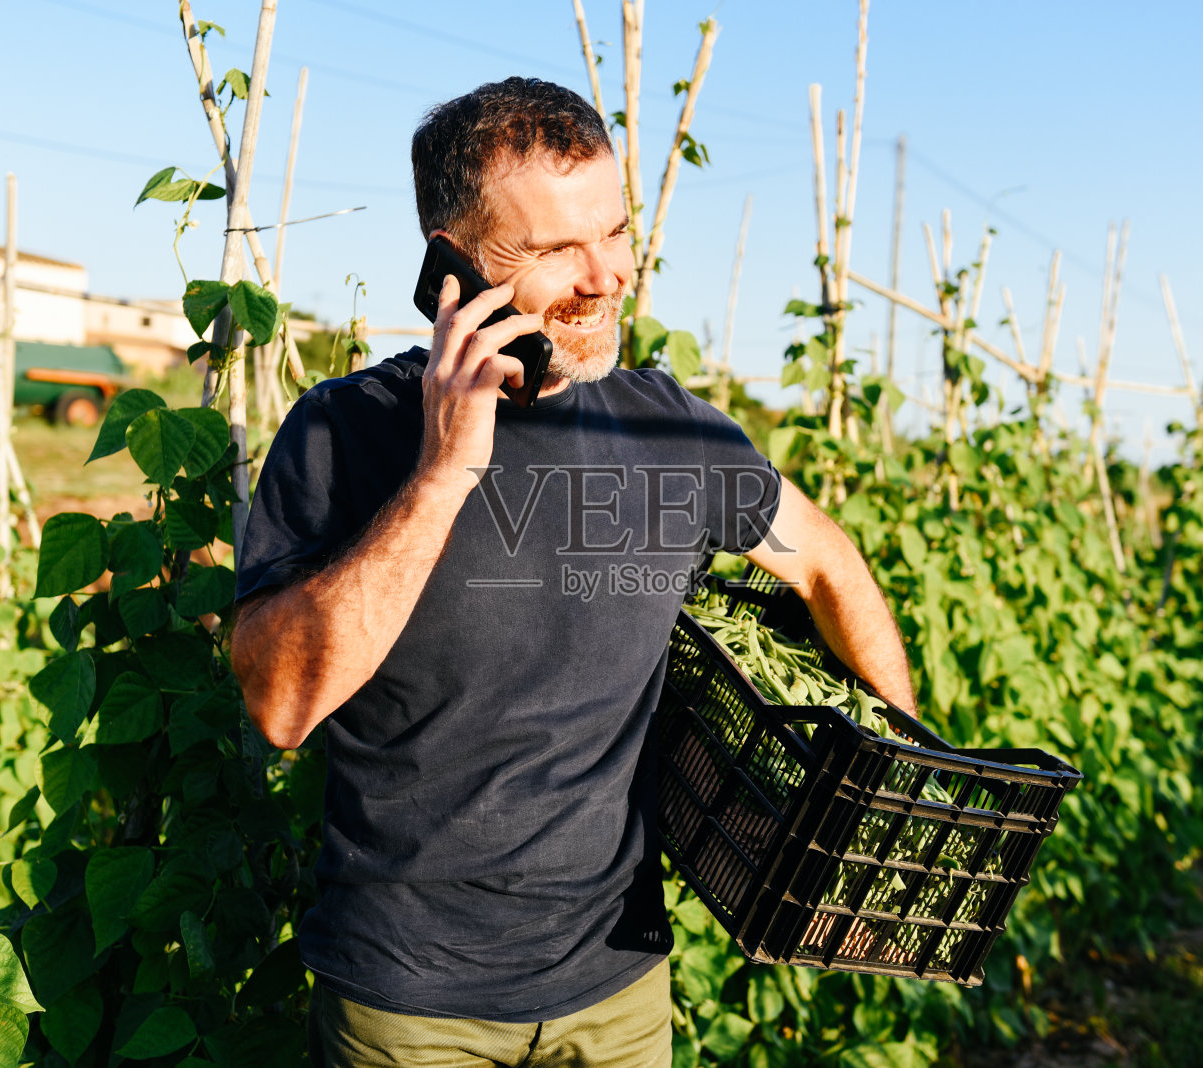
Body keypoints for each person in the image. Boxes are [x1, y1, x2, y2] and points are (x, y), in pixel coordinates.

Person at [230, 77, 917, 1068]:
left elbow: (830, 567)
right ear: (451, 265)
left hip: (618, 987)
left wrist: (892, 782)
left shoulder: (667, 429)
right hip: (411, 1006)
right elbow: (279, 704)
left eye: (616, 231)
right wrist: (442, 475)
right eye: (557, 249)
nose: (607, 275)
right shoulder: (348, 435)